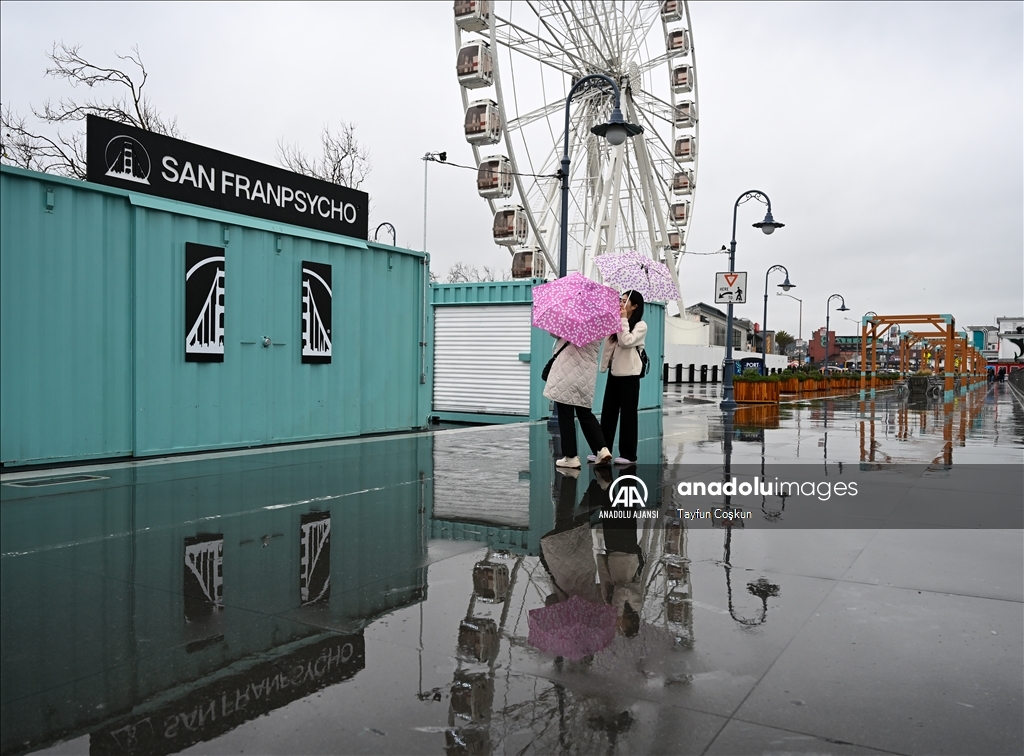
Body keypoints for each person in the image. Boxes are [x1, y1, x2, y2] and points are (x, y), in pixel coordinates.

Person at [543, 336, 612, 468]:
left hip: (566, 373)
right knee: (585, 414)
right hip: (585, 376)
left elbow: (554, 332)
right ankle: (602, 449)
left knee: (566, 415)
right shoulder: (597, 328)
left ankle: (571, 457)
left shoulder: (571, 325)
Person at [597, 290, 647, 465]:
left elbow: (626, 341)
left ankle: (628, 454)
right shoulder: (618, 322)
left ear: (634, 306)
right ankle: (603, 450)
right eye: (621, 300)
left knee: (628, 415)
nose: (621, 303)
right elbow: (609, 346)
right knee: (608, 413)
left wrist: (623, 320)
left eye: (626, 301)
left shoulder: (640, 326)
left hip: (630, 376)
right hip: (614, 373)